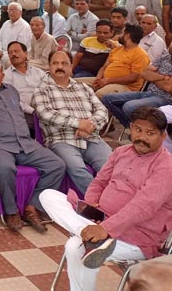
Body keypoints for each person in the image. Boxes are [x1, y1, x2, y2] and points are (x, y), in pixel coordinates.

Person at [39, 106, 172, 291]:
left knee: (74, 247)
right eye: (138, 130)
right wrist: (91, 203)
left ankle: (98, 240)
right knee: (48, 195)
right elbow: (99, 181)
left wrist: (106, 229)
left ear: (163, 136)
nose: (142, 137)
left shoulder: (166, 167)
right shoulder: (121, 152)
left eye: (150, 133)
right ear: (131, 128)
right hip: (99, 220)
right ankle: (91, 235)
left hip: (137, 235)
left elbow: (143, 207)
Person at [0, 60, 65, 233]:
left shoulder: (11, 90)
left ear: (2, 76)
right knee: (4, 167)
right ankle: (11, 212)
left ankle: (33, 207)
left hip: (24, 142)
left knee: (57, 165)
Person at [32, 51, 110, 194]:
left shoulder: (83, 88)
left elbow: (102, 111)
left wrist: (89, 125)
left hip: (91, 137)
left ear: (71, 66)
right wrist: (77, 123)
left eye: (64, 63)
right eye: (55, 63)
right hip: (62, 141)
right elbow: (46, 114)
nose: (60, 66)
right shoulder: (42, 90)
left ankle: (116, 202)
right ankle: (98, 205)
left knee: (111, 167)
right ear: (49, 66)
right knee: (78, 169)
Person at [101, 44, 172, 128]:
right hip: (148, 92)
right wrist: (163, 77)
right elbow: (144, 73)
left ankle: (139, 130)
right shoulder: (166, 57)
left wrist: (153, 76)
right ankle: (135, 128)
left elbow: (168, 87)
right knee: (107, 99)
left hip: (165, 98)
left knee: (129, 107)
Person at [78, 24, 150, 99]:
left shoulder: (141, 55)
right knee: (72, 83)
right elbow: (104, 67)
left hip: (126, 87)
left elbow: (134, 77)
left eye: (121, 33)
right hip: (104, 80)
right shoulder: (117, 49)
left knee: (99, 94)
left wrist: (108, 81)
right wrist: (98, 79)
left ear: (127, 35)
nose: (119, 36)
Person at [3, 41, 45, 129]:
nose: (13, 54)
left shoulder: (39, 73)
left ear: (25, 53)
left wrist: (43, 110)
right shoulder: (6, 76)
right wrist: (33, 111)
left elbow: (47, 92)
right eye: (10, 52)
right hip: (22, 115)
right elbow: (12, 99)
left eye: (16, 51)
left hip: (44, 111)